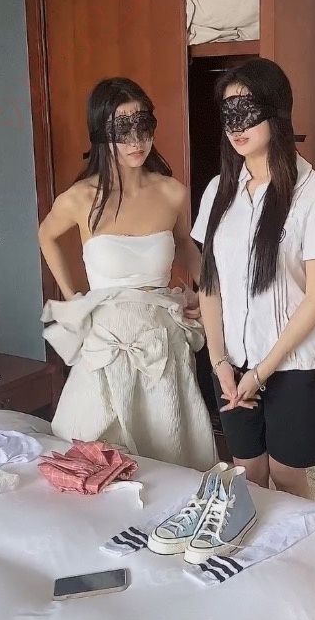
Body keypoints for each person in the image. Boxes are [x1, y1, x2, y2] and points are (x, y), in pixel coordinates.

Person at [38, 77, 216, 470]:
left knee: (168, 445)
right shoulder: (80, 198)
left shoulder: (172, 192)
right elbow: (46, 235)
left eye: (143, 126)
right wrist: (72, 297)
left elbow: (185, 246)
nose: (137, 141)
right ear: (102, 133)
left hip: (160, 336)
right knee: (95, 448)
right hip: (107, 337)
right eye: (123, 130)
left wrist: (209, 295)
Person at [192, 59, 315, 497]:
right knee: (248, 470)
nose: (236, 125)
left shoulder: (314, 194)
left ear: (276, 112)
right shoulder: (218, 190)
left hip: (291, 363)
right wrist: (219, 361)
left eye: (248, 110)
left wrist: (261, 372)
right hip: (232, 360)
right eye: (228, 112)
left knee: (286, 475)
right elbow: (211, 283)